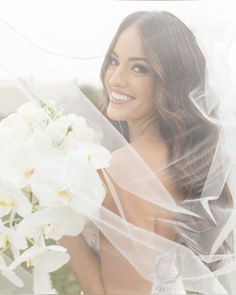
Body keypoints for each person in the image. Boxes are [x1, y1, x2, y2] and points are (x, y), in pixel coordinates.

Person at [60, 10, 235, 294]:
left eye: (139, 68)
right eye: (114, 61)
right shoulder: (180, 157)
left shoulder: (125, 168)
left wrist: (59, 218)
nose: (116, 79)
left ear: (171, 81)